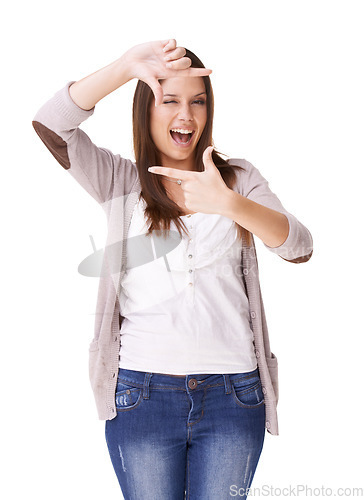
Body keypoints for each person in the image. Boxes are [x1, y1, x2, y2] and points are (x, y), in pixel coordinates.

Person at [32, 38, 313, 499]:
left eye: (198, 102)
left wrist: (229, 203)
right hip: (142, 396)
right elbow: (50, 123)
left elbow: (298, 247)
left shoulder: (239, 179)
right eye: (171, 101)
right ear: (146, 110)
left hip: (234, 394)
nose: (187, 115)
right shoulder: (121, 181)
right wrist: (124, 67)